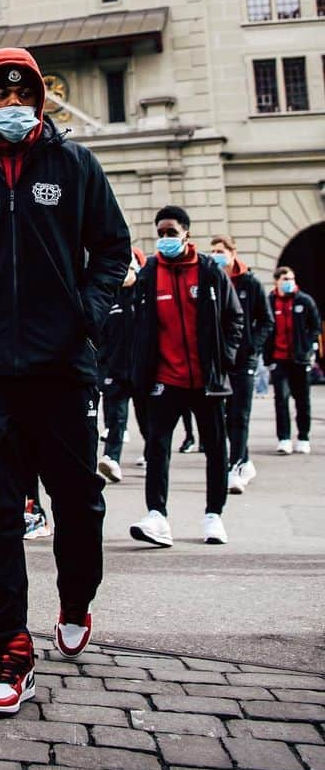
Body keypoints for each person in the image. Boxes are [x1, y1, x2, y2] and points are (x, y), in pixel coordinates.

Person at [0, 48, 129, 716]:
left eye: (22, 96)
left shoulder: (73, 165)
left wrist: (87, 317)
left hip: (63, 368)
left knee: (78, 503)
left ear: (39, 100)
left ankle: (76, 596)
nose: (10, 107)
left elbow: (112, 249)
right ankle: (9, 650)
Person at [128, 206, 242, 550]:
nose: (165, 239)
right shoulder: (149, 275)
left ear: (186, 234)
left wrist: (224, 360)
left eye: (171, 232)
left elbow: (233, 319)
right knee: (158, 447)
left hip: (207, 381)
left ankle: (213, 515)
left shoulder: (209, 271)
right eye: (160, 233)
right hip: (165, 379)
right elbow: (138, 326)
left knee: (215, 450)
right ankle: (156, 515)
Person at [209, 235, 273, 493]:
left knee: (239, 414)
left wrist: (252, 348)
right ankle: (244, 459)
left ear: (233, 253)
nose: (216, 254)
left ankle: (235, 465)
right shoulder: (211, 280)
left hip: (244, 359)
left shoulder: (251, 283)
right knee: (224, 417)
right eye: (213, 250)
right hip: (220, 360)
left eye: (221, 250)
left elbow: (266, 321)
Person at [98, 253, 148, 484]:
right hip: (117, 369)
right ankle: (112, 459)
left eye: (128, 267)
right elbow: (103, 338)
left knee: (147, 418)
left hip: (142, 368)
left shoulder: (144, 293)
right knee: (116, 419)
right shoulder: (111, 298)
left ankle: (152, 455)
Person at [266, 266, 320, 455]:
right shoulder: (270, 302)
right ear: (277, 281)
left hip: (300, 359)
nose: (289, 282)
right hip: (279, 359)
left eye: (291, 278)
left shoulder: (304, 300)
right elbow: (265, 327)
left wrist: (308, 347)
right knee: (280, 399)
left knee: (302, 400)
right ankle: (284, 438)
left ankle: (303, 437)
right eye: (285, 279)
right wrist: (267, 356)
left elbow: (315, 327)